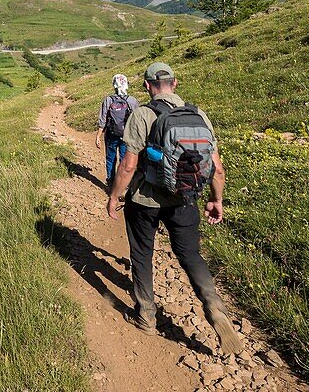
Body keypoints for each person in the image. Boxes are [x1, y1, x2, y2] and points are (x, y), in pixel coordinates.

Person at [106, 61, 244, 356]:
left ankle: (146, 315)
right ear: (175, 83)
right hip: (184, 199)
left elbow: (129, 165)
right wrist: (216, 200)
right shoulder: (198, 115)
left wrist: (114, 196)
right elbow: (217, 169)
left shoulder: (142, 114)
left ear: (146, 86)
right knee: (190, 255)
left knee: (142, 254)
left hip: (144, 200)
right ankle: (214, 306)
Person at [95, 74, 139, 189]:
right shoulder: (132, 101)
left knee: (110, 158)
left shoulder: (108, 100)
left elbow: (102, 119)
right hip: (127, 136)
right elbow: (137, 120)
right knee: (124, 160)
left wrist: (98, 136)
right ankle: (123, 186)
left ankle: (110, 183)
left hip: (111, 134)